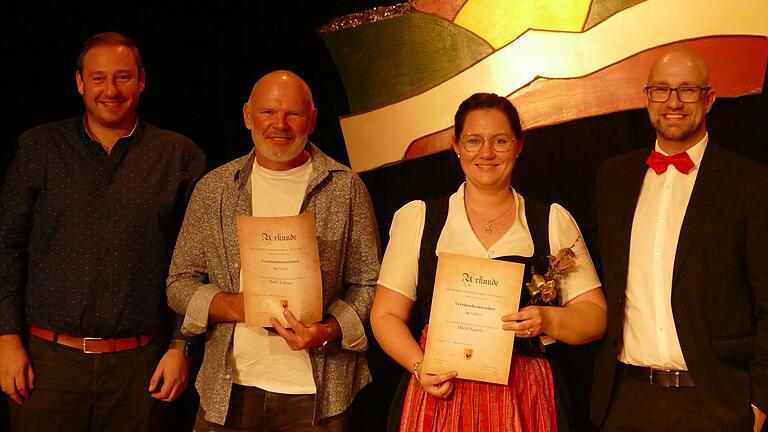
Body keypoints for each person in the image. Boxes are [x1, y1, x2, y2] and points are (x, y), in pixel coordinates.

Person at [0, 32, 205, 431]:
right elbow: (6, 247)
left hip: (141, 368)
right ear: (79, 83)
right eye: (98, 78)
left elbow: (196, 262)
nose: (111, 90)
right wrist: (6, 339)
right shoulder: (39, 148)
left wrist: (183, 346)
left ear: (142, 80)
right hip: (46, 365)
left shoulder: (179, 156)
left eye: (123, 77)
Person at [371, 92, 607, 431]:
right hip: (440, 395)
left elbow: (595, 317)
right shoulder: (420, 218)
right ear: (455, 145)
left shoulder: (551, 220)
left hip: (525, 397)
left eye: (499, 141)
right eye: (473, 141)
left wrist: (547, 318)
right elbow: (385, 314)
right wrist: (419, 366)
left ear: (519, 144)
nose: (486, 153)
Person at [166, 70, 380, 431]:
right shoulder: (215, 188)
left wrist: (327, 329)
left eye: (293, 114)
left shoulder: (345, 189)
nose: (279, 125)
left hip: (317, 393)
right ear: (248, 115)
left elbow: (370, 285)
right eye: (268, 112)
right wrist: (238, 305)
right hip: (229, 388)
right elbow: (178, 284)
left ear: (311, 120)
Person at [590, 48, 768, 431]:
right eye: (661, 90)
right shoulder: (613, 177)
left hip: (713, 403)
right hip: (625, 399)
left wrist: (760, 400)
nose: (673, 102)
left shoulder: (750, 183)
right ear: (647, 97)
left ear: (709, 99)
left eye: (687, 90)